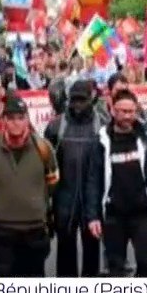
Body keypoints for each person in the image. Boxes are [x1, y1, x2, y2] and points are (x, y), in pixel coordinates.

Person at [0, 95, 59, 277]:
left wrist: (35, 202)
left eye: (21, 118)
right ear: (4, 120)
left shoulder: (43, 148)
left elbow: (53, 183)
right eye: (11, 118)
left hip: (34, 232)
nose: (16, 123)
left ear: (27, 120)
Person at [92, 89, 147, 278]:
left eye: (131, 111)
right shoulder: (100, 143)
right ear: (112, 111)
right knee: (116, 268)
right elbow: (93, 180)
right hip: (113, 215)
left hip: (142, 212)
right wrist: (92, 216)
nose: (128, 116)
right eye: (123, 111)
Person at [44, 79, 105, 277]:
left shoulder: (102, 126)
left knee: (92, 250)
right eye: (74, 100)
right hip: (64, 197)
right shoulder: (55, 127)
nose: (78, 105)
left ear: (92, 99)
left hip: (92, 198)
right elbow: (46, 165)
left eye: (82, 100)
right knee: (65, 252)